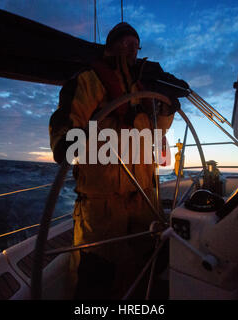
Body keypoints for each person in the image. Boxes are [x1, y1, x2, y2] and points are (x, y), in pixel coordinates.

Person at [49, 22, 185, 299]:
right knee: (96, 277)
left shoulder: (146, 88)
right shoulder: (90, 80)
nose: (130, 49)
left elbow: (159, 129)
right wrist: (64, 142)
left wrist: (168, 108)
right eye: (124, 43)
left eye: (135, 44)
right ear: (109, 47)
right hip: (102, 203)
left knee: (145, 265)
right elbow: (68, 117)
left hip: (145, 197)